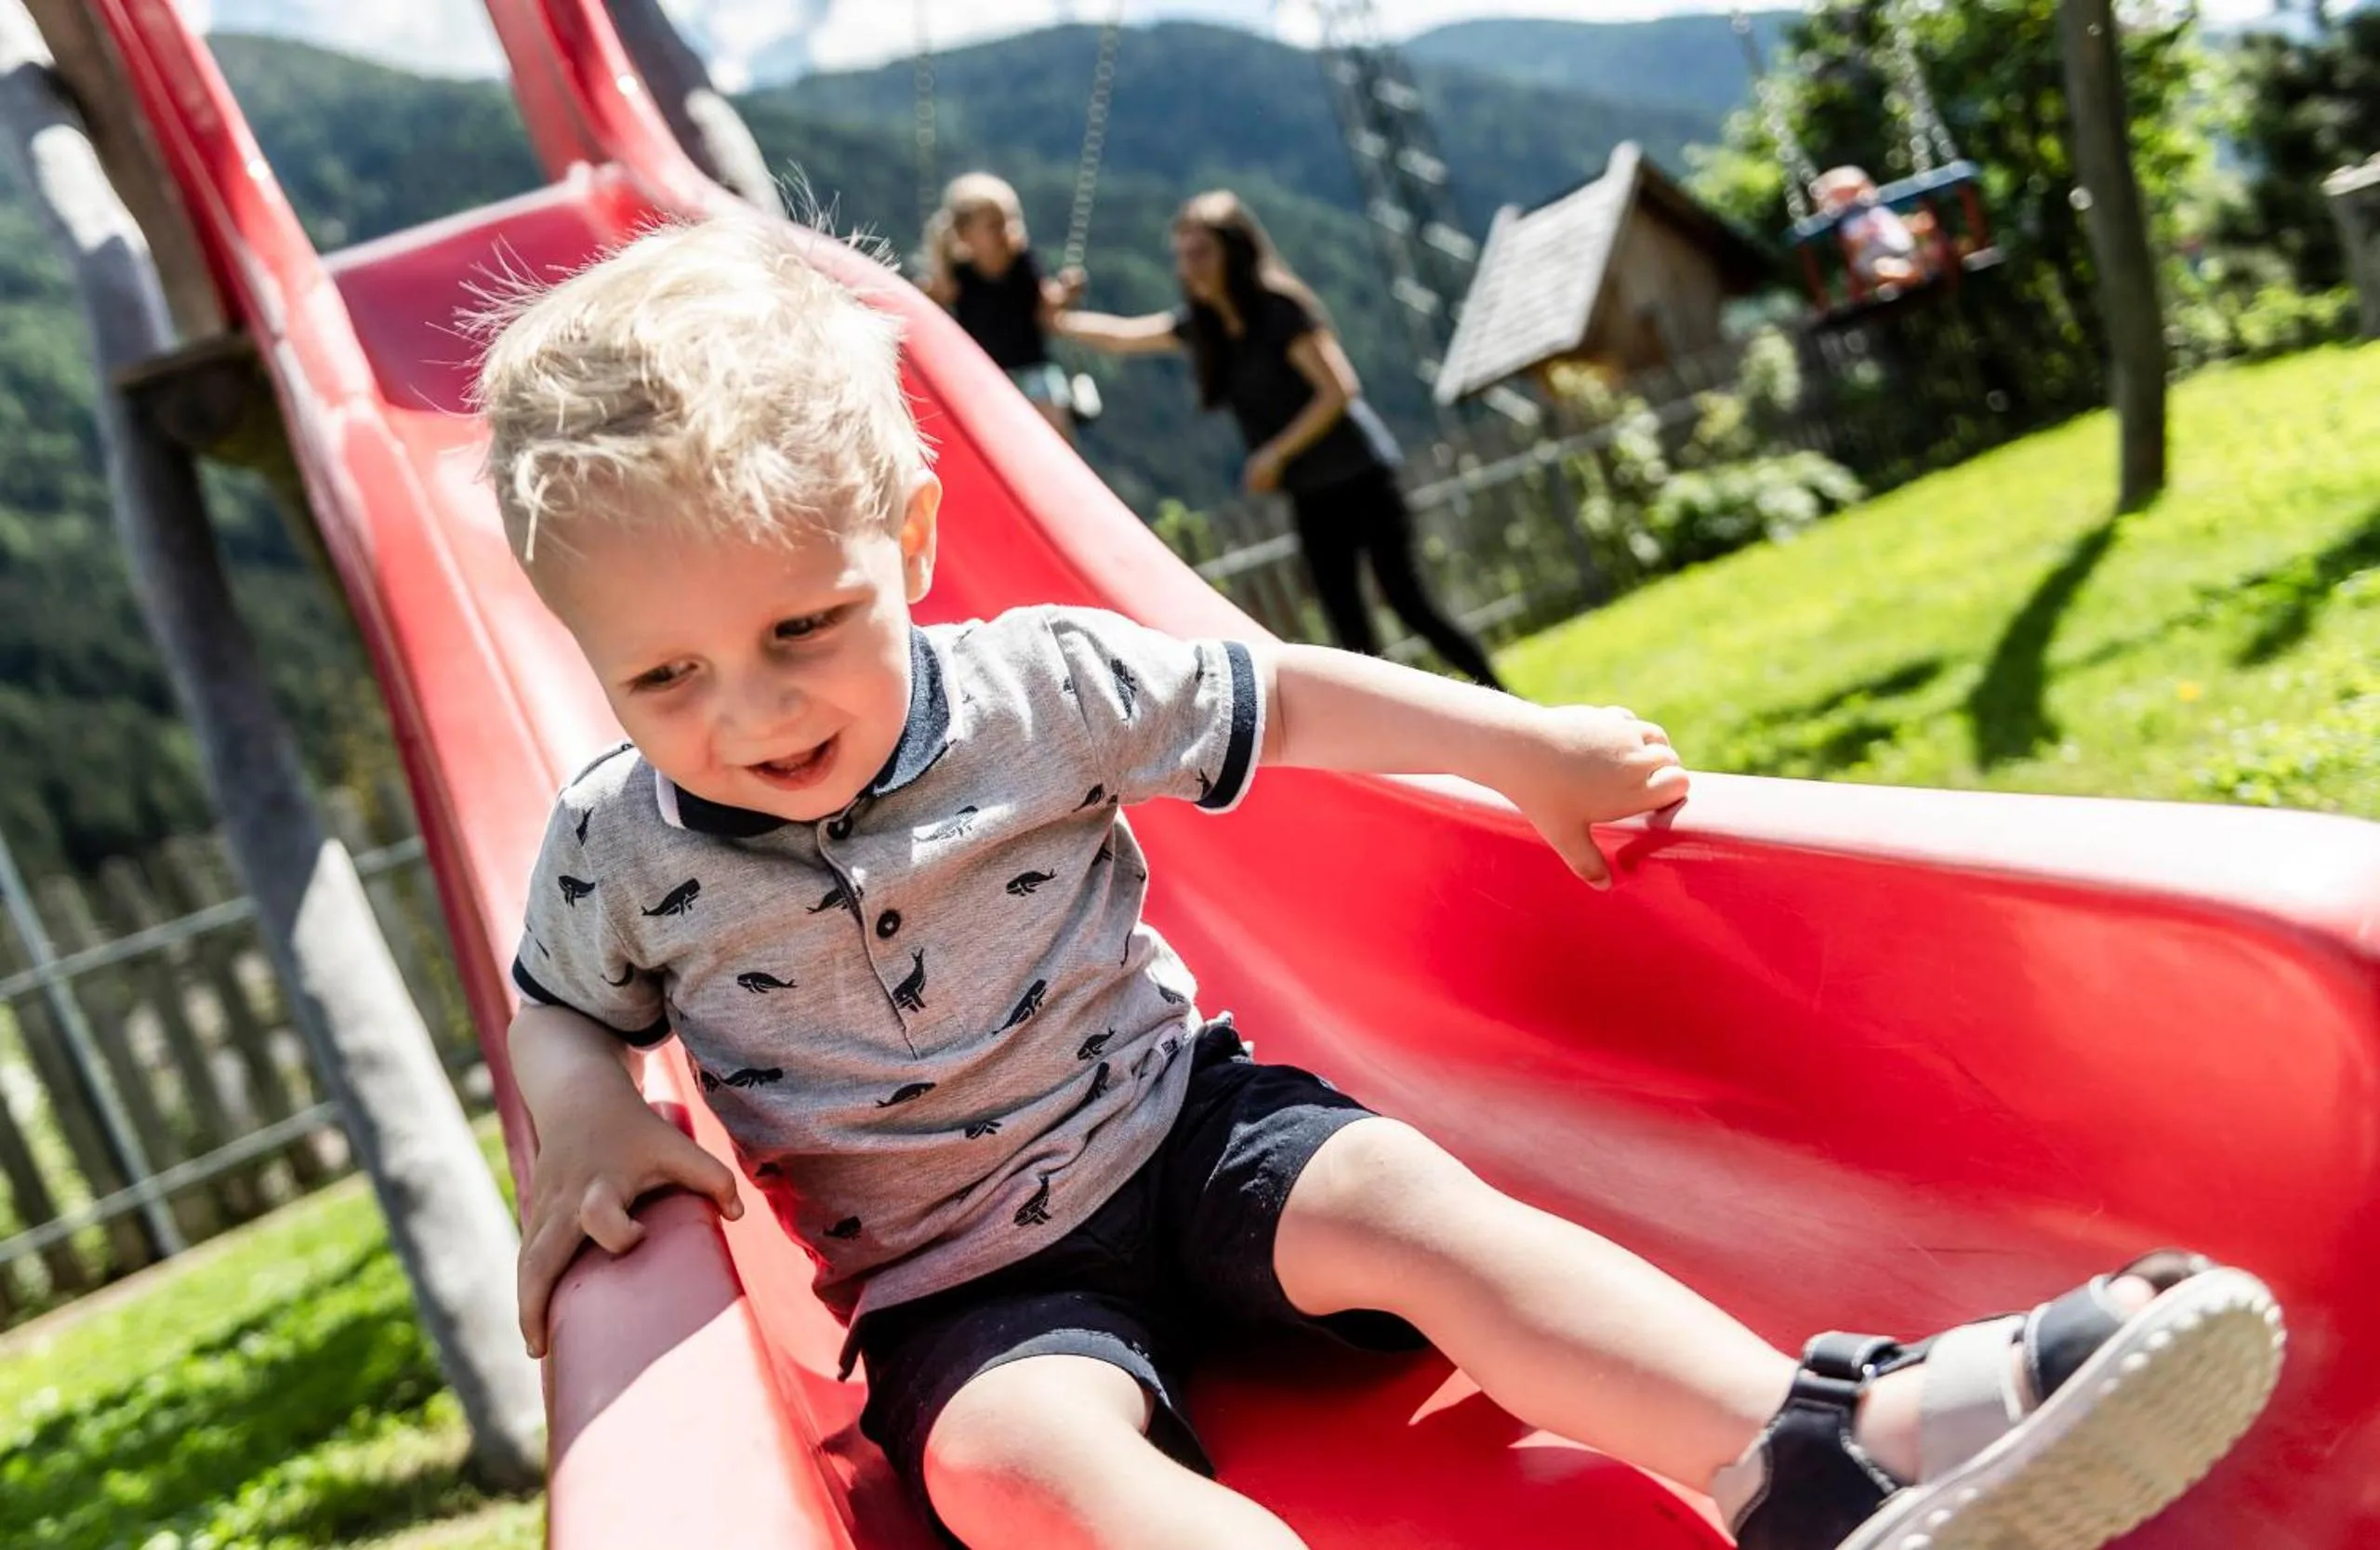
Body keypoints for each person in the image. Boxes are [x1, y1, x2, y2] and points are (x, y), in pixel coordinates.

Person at [474, 213, 2285, 1550]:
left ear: (914, 543)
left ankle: (1826, 1441)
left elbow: (1289, 688)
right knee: (1004, 1464)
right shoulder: (619, 847)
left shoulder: (1041, 686)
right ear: (590, 656)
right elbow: (562, 1003)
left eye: (807, 622)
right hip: (958, 1283)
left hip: (1187, 1130)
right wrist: (586, 1118)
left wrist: (1520, 745)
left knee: (1418, 1205)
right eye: (665, 676)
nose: (751, 704)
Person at [1055, 191, 1505, 690]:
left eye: (1201, 252)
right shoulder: (1206, 329)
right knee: (1350, 633)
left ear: (1234, 250)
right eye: (1182, 255)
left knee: (1409, 603)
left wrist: (1274, 453)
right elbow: (1123, 337)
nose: (1190, 267)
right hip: (1311, 492)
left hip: (1362, 477)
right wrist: (1055, 319)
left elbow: (1339, 390)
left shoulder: (1279, 310)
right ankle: (1403, 751)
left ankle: (1506, 702)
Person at [921, 172, 1084, 440]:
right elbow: (936, 298)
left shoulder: (1023, 263)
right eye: (994, 225)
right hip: (982, 373)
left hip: (1032, 368)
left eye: (1009, 221)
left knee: (1054, 433)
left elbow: (1047, 304)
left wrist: (1066, 293)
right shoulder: (959, 274)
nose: (1006, 231)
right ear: (964, 233)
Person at [1813, 166, 1925, 292]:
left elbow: (1897, 225)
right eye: (1845, 195)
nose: (1855, 199)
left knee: (1925, 250)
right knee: (1883, 267)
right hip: (1874, 257)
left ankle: (1904, 278)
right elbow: (1851, 246)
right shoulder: (1847, 222)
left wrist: (1913, 224)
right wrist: (1860, 238)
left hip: (1901, 247)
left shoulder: (1877, 210)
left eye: (1855, 191)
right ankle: (1906, 276)